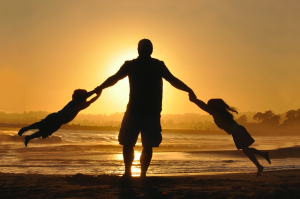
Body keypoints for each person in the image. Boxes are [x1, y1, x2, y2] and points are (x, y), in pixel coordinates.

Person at [95, 39, 196, 178]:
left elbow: (114, 78)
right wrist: (189, 90)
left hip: (136, 111)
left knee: (128, 143)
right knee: (146, 145)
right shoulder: (157, 65)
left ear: (138, 50)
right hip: (151, 112)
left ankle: (128, 173)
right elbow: (173, 80)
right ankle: (142, 174)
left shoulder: (132, 65)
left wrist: (100, 87)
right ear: (151, 50)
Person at [189, 97, 271, 176]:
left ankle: (260, 165)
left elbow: (203, 106)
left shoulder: (217, 113)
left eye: (209, 105)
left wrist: (195, 100)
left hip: (238, 131)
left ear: (212, 107)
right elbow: (205, 107)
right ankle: (263, 156)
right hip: (238, 130)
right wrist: (194, 100)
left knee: (246, 150)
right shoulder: (221, 112)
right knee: (246, 150)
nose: (208, 108)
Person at [18, 89, 101, 147]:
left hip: (59, 123)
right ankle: (25, 129)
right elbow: (86, 96)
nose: (85, 99)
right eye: (84, 97)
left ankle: (28, 137)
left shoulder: (81, 106)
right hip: (56, 117)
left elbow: (91, 101)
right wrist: (94, 91)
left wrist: (98, 94)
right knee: (41, 124)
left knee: (45, 132)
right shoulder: (73, 102)